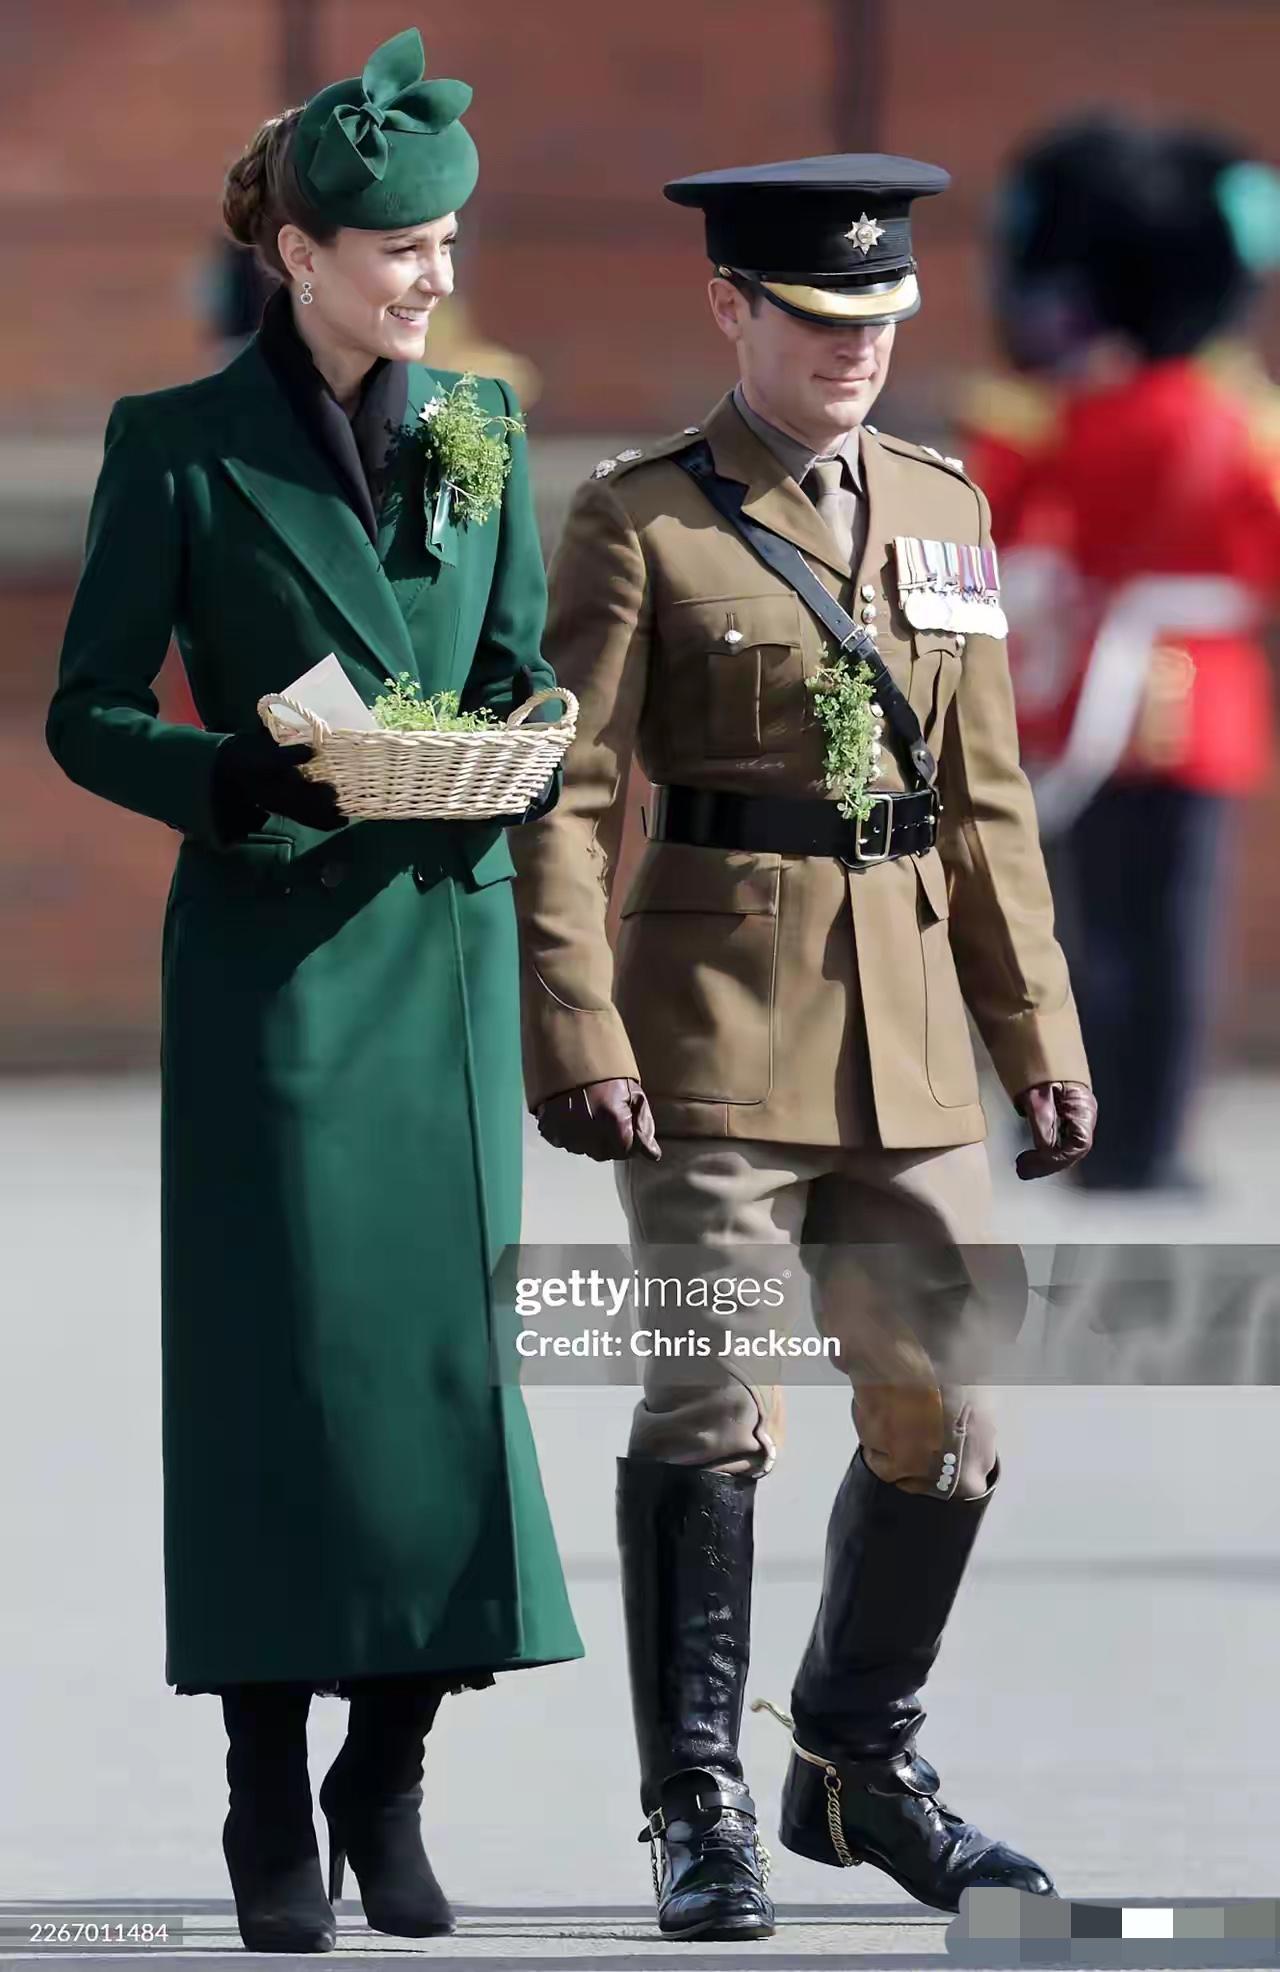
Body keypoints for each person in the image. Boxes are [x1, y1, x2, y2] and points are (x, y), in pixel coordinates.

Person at [510, 154, 1097, 1940]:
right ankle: (696, 1802)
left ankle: (853, 1763)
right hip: (706, 1036)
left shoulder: (940, 506)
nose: (858, 348)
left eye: (884, 317)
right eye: (822, 318)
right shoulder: (642, 519)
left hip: (910, 1041)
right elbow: (567, 791)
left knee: (956, 1417)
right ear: (734, 310)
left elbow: (985, 798)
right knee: (708, 1400)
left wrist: (1038, 1034)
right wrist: (578, 1021)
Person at [47, 27, 582, 1954]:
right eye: (394, 249)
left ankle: (393, 1769)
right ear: (298, 252)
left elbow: (518, 662)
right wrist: (231, 775)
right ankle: (267, 1783)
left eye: (444, 242)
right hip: (274, 969)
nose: (431, 274)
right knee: (287, 1389)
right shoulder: (171, 449)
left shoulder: (491, 434)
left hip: (438, 957)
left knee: (447, 1391)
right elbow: (84, 710)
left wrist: (523, 727)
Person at [960, 118, 1280, 1190]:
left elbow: (992, 526)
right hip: (1199, 685)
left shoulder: (1062, 417)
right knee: (1173, 934)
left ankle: (1084, 1130)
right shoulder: (1230, 418)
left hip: (1082, 677)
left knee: (1082, 927)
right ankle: (1151, 1140)